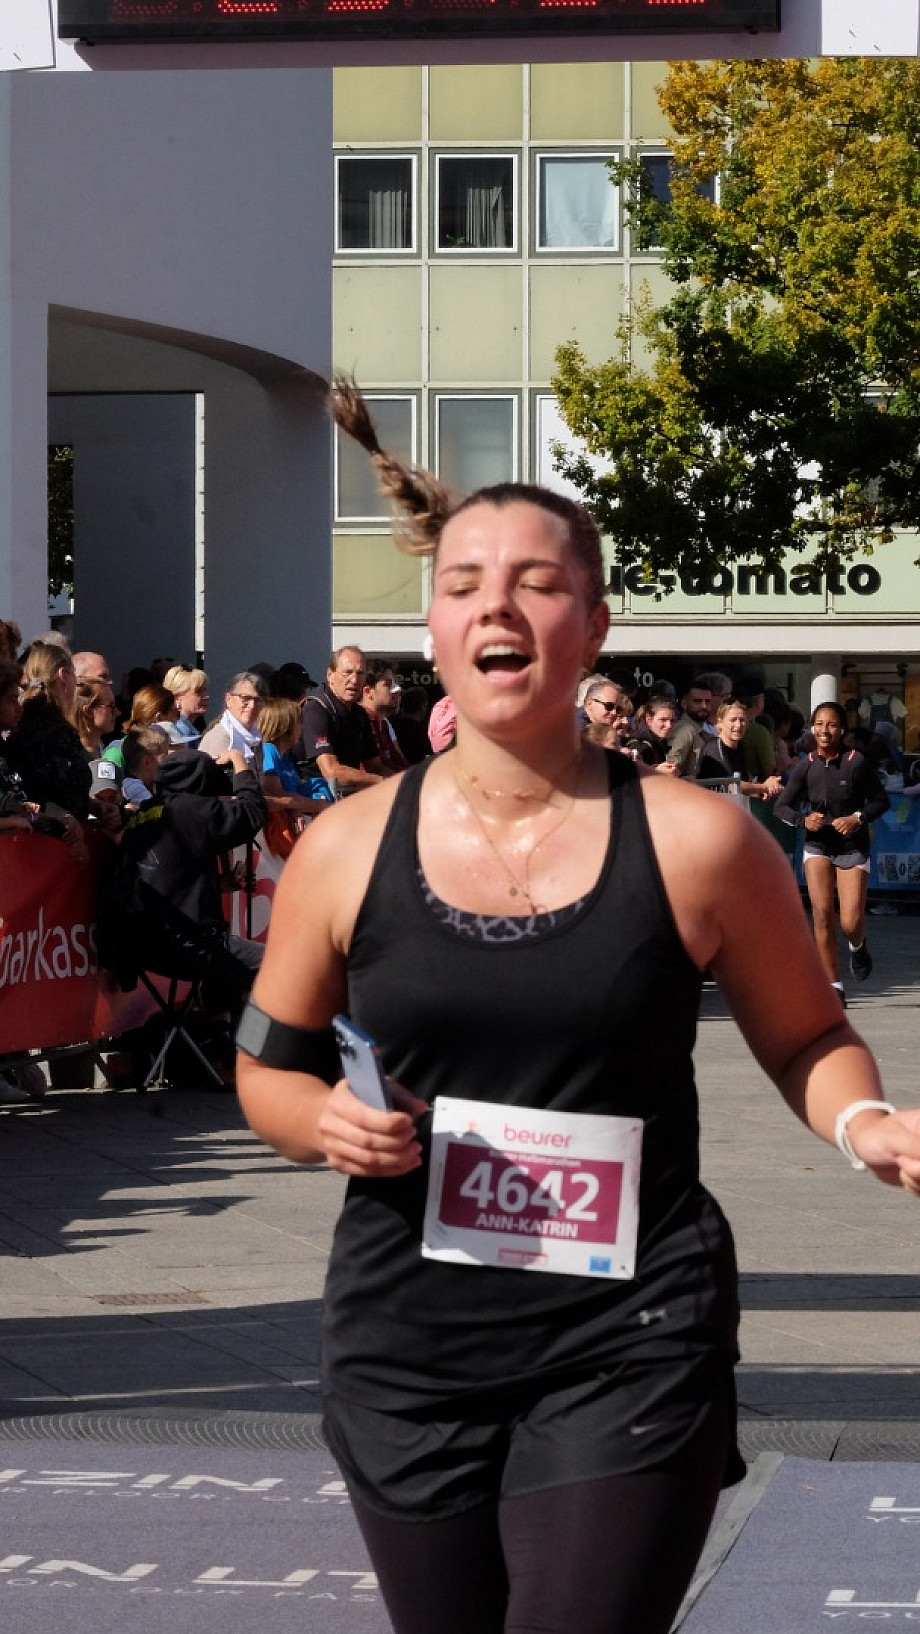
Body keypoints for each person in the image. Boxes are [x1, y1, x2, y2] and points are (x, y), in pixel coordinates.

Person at [235, 380, 920, 1634]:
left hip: (631, 1326)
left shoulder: (699, 839)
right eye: (464, 584)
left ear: (592, 624)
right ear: (435, 628)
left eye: (535, 582)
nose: (495, 604)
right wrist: (319, 1120)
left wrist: (861, 1120)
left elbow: (807, 1031)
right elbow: (266, 1067)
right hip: (405, 1340)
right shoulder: (343, 846)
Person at [775, 701, 890, 1007]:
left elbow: (881, 801)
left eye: (832, 725)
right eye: (819, 724)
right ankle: (833, 985)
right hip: (818, 846)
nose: (824, 731)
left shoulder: (856, 762)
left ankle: (858, 946)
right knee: (823, 914)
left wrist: (857, 818)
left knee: (850, 922)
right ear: (812, 728)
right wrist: (803, 821)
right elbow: (781, 807)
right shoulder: (806, 764)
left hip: (852, 847)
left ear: (842, 730)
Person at [299, 646, 393, 795]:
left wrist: (404, 781)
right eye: (347, 673)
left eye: (360, 673)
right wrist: (381, 781)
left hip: (346, 798)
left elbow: (375, 766)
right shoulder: (317, 709)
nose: (354, 680)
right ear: (330, 675)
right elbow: (332, 772)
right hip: (315, 801)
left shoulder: (360, 714)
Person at [697, 699, 783, 803]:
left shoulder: (740, 747)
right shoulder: (714, 748)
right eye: (733, 720)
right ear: (720, 722)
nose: (738, 725)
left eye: (742, 720)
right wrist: (764, 787)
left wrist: (761, 790)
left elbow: (746, 779)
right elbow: (732, 785)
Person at [198, 671, 268, 767]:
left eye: (258, 700)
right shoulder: (220, 738)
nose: (252, 705)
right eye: (245, 698)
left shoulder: (255, 738)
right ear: (228, 699)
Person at [665, 679, 713, 777]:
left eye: (707, 701)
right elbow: (670, 768)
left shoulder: (702, 731)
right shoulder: (685, 730)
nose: (704, 706)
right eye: (697, 701)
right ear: (684, 704)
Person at [162, 664, 210, 744]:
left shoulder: (193, 729)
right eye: (198, 691)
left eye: (205, 690)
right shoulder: (177, 735)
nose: (206, 696)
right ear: (177, 698)